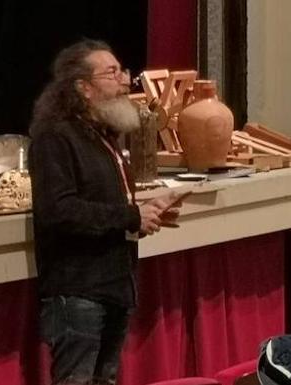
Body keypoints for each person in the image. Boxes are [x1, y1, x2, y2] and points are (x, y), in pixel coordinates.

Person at [29, 39, 182, 385]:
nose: (125, 80)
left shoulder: (102, 136)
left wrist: (144, 214)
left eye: (122, 71)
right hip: (78, 293)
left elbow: (107, 208)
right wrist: (130, 216)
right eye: (112, 73)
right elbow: (59, 210)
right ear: (83, 88)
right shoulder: (55, 137)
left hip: (114, 287)